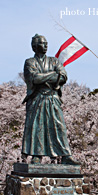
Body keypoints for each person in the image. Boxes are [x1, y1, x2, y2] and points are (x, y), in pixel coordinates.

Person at [21, 34, 79, 165]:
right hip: (37, 98)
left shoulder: (54, 61)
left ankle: (65, 155)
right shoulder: (30, 62)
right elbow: (34, 78)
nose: (45, 45)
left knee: (58, 126)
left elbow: (63, 76)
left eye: (46, 43)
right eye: (42, 43)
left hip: (53, 98)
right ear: (35, 46)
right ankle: (37, 155)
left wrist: (45, 77)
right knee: (37, 126)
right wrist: (53, 75)